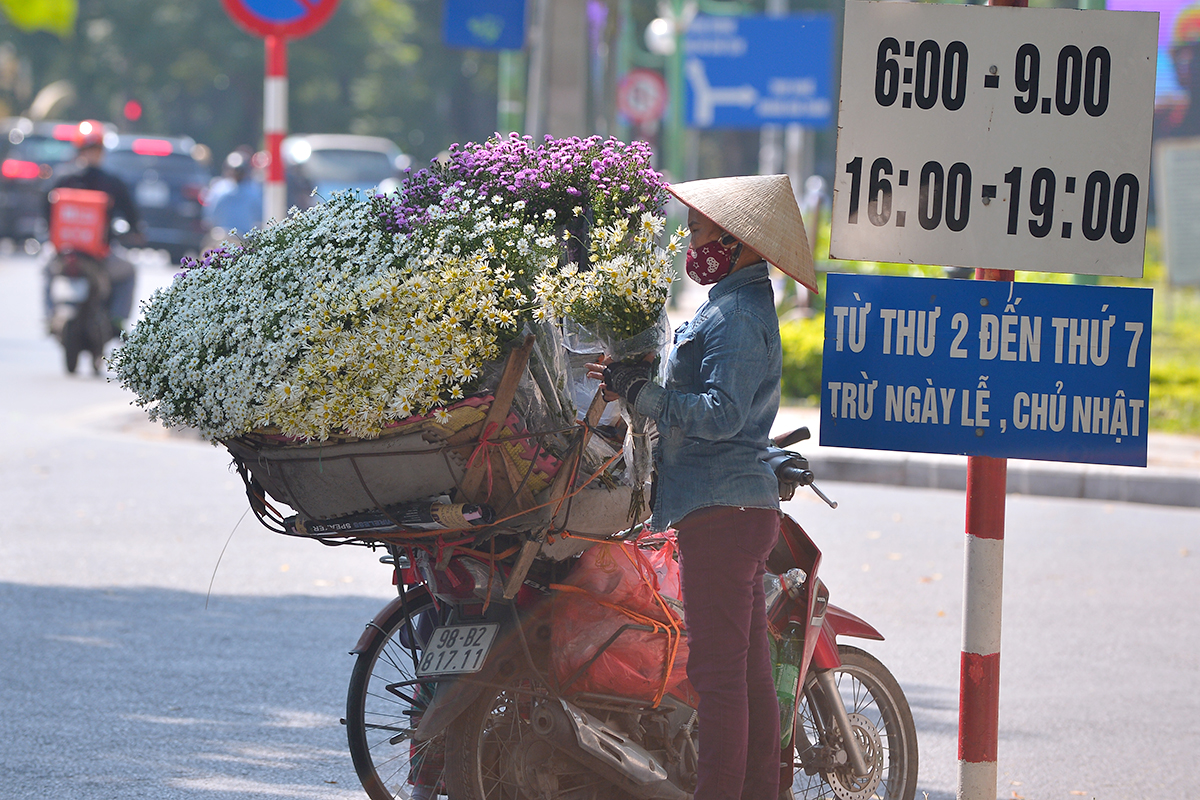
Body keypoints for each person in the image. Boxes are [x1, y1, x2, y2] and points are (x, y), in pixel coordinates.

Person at [588, 174, 817, 800]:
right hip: (730, 509)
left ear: (735, 240)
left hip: (724, 511)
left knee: (719, 679)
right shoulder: (733, 306)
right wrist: (634, 377)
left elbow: (720, 415)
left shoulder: (737, 316)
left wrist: (642, 394)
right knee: (743, 675)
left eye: (697, 231)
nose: (690, 242)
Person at [44, 120, 142, 329]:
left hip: (67, 251)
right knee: (129, 271)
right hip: (97, 254)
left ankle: (49, 315)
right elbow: (131, 214)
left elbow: (45, 209)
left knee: (45, 267)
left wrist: (49, 233)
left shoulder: (61, 178)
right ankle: (117, 320)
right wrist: (135, 231)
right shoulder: (112, 181)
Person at [204, 147, 262, 235]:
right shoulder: (219, 189)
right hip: (224, 235)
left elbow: (209, 216)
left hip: (242, 237)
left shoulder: (218, 189)